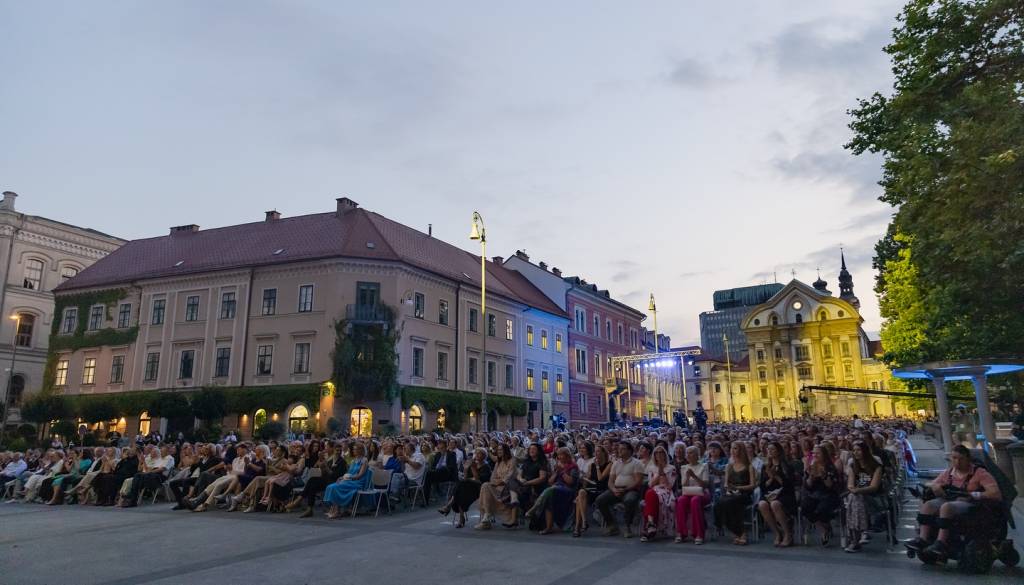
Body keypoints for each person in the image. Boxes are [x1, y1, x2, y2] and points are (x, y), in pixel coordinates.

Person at [906, 444, 1002, 560]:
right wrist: (935, 486)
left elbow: (995, 493)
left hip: (970, 502)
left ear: (968, 459)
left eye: (961, 459)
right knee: (928, 505)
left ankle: (941, 543)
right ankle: (923, 539)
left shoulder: (979, 473)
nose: (957, 462)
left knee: (947, 507)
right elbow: (930, 483)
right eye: (954, 458)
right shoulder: (950, 473)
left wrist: (974, 494)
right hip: (950, 499)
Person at [595, 441, 645, 538]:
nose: (619, 450)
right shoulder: (616, 463)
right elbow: (610, 481)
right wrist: (614, 489)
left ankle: (627, 526)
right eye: (619, 449)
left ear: (629, 451)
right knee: (600, 500)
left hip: (631, 489)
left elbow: (638, 482)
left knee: (629, 500)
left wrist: (625, 490)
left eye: (623, 449)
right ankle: (612, 525)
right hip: (616, 489)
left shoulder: (636, 463)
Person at [714, 441, 757, 545]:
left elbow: (752, 485)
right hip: (731, 493)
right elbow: (726, 484)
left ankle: (740, 533)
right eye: (732, 448)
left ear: (741, 450)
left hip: (744, 494)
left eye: (735, 448)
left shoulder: (749, 467)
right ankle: (737, 531)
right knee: (719, 503)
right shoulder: (729, 466)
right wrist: (729, 488)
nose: (732, 451)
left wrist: (738, 488)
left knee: (730, 503)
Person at [843, 440, 883, 553]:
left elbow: (874, 487)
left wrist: (858, 490)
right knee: (855, 498)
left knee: (855, 499)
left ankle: (854, 539)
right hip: (857, 496)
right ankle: (860, 534)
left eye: (859, 450)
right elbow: (850, 484)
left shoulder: (876, 466)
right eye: (854, 450)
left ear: (865, 451)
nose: (856, 452)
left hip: (873, 496)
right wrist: (854, 490)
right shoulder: (853, 465)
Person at [757, 441, 797, 547]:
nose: (770, 451)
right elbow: (762, 485)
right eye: (768, 449)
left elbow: (789, 485)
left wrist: (775, 476)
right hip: (769, 493)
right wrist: (770, 478)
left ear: (778, 451)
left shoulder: (786, 465)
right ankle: (777, 532)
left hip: (784, 493)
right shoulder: (765, 466)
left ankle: (787, 533)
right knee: (762, 504)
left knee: (775, 504)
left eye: (772, 449)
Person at [439, 447, 491, 528]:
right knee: (461, 490)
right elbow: (466, 478)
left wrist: (473, 468)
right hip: (467, 488)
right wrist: (466, 469)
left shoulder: (486, 466)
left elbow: (479, 480)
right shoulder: (473, 464)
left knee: (461, 486)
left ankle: (449, 507)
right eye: (476, 453)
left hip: (480, 489)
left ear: (484, 456)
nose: (476, 455)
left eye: (479, 453)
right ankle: (460, 516)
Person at [801, 444, 841, 547]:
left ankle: (826, 525)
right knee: (805, 507)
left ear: (824, 454)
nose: (815, 455)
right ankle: (823, 529)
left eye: (818, 453)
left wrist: (823, 475)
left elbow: (831, 486)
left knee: (822, 509)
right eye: (814, 453)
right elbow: (807, 486)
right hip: (814, 494)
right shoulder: (811, 467)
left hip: (829, 495)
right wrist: (811, 476)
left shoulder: (830, 467)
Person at [532, 447, 579, 535]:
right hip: (557, 488)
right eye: (558, 455)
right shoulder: (559, 466)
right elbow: (550, 481)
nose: (559, 457)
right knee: (549, 497)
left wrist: (562, 471)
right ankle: (548, 527)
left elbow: (571, 482)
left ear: (567, 455)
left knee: (551, 490)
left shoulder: (573, 466)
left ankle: (535, 508)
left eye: (561, 455)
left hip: (568, 490)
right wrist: (556, 472)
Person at [476, 444, 518, 530]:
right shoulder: (498, 463)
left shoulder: (512, 461)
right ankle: (487, 515)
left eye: (501, 450)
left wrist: (498, 482)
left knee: (485, 488)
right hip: (497, 487)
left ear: (505, 451)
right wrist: (496, 482)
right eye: (498, 450)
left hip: (508, 488)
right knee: (485, 485)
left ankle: (486, 518)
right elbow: (492, 477)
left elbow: (509, 477)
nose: (499, 451)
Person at [324, 442, 370, 518]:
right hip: (350, 480)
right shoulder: (354, 460)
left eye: (355, 449)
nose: (353, 451)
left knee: (335, 487)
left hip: (358, 482)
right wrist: (342, 477)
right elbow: (349, 473)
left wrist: (349, 478)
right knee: (331, 486)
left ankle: (337, 511)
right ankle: (334, 509)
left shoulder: (364, 460)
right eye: (353, 449)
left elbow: (360, 475)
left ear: (360, 450)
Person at [675, 445, 710, 544]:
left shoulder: (704, 466)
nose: (688, 455)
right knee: (681, 500)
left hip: (702, 493)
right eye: (687, 453)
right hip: (688, 492)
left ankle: (698, 534)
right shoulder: (684, 467)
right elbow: (684, 485)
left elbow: (705, 485)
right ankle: (681, 532)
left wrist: (694, 476)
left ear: (697, 455)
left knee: (695, 500)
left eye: (691, 453)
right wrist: (687, 477)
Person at [641, 446, 677, 542]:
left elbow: (669, 486)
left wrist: (663, 473)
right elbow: (651, 484)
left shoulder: (672, 468)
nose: (659, 454)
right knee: (650, 493)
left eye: (661, 452)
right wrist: (658, 473)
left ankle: (649, 527)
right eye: (656, 453)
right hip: (654, 489)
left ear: (665, 454)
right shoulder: (651, 468)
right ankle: (651, 524)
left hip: (666, 491)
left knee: (650, 495)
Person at [574, 443, 610, 537]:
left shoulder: (609, 464)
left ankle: (577, 527)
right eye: (595, 451)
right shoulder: (591, 465)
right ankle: (584, 521)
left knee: (578, 499)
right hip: (592, 488)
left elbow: (600, 478)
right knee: (581, 493)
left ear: (603, 453)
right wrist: (583, 479)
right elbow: (588, 479)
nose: (596, 453)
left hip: (602, 490)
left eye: (598, 451)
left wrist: (597, 466)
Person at [423, 440, 457, 504]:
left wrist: (440, 468)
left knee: (435, 471)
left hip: (447, 474)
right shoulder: (438, 454)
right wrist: (433, 470)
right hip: (437, 473)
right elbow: (433, 466)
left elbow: (451, 467)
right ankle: (425, 500)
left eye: (442, 448)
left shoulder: (452, 454)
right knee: (427, 476)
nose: (441, 450)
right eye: (439, 448)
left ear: (446, 447)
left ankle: (430, 496)